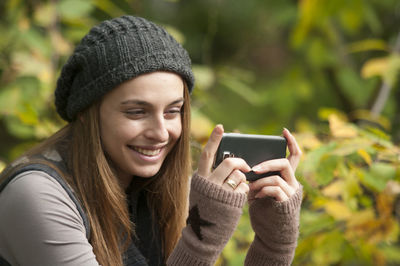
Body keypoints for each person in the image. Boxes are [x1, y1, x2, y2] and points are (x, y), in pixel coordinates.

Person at [0, 15, 302, 266]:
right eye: (136, 112)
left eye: (173, 112)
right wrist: (202, 235)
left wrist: (273, 244)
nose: (160, 133)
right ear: (86, 113)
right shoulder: (37, 195)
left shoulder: (161, 187)